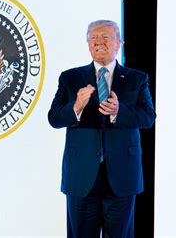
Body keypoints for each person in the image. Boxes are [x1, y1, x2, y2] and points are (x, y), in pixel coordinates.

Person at [48, 20, 156, 237]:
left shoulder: (137, 79)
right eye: (93, 38)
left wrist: (119, 110)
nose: (99, 42)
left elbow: (148, 118)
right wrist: (76, 106)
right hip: (81, 177)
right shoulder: (70, 78)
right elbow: (54, 118)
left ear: (119, 43)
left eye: (105, 37)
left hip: (122, 176)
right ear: (87, 44)